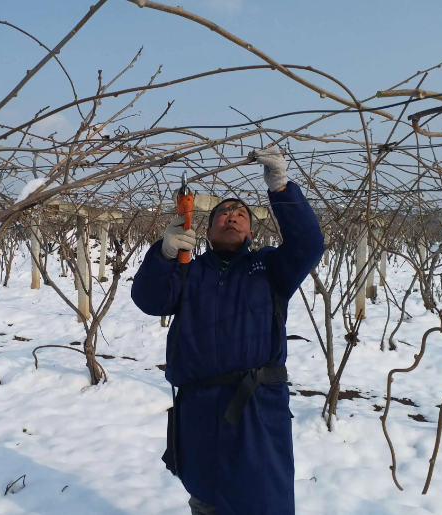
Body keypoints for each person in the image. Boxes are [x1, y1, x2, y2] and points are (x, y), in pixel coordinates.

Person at [131, 147, 324, 515]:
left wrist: (281, 188)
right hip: (199, 408)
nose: (231, 217)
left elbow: (309, 245)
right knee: (207, 495)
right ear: (207, 229)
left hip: (255, 406)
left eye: (240, 214)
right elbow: (149, 300)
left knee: (261, 496)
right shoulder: (190, 270)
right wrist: (163, 254)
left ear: (251, 229)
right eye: (222, 213)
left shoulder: (268, 267)